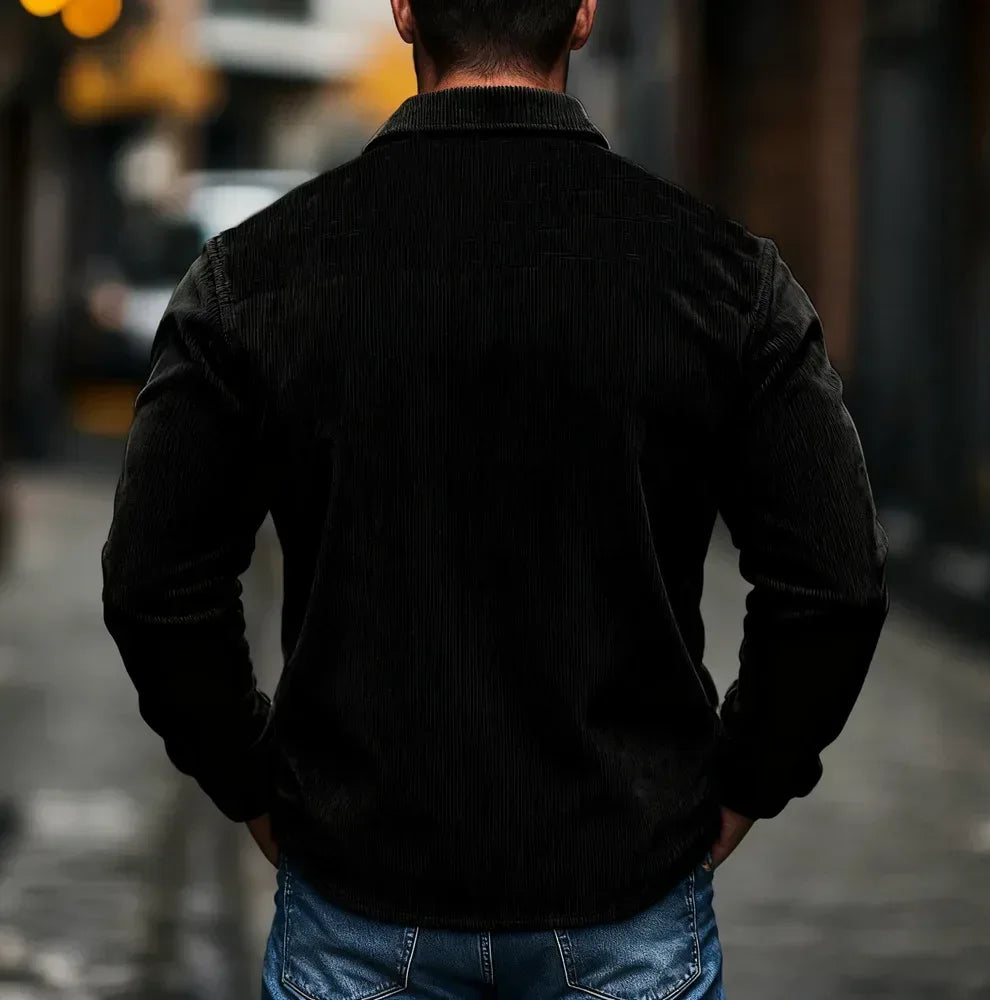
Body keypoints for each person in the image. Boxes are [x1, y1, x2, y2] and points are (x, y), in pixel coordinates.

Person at [100, 1, 890, 997]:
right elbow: (834, 582)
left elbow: (153, 582)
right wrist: (742, 785)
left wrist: (251, 781)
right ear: (585, 14)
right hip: (621, 899)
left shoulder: (254, 278)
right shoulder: (724, 281)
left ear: (401, 9)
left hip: (360, 900)